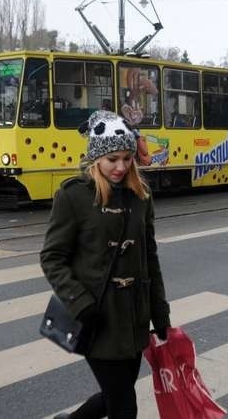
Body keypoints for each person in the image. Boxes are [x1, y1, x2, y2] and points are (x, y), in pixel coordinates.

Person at [41, 110, 171, 419]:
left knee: (116, 394)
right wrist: (79, 302)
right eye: (113, 159)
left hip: (135, 318)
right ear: (96, 157)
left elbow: (149, 258)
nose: (121, 167)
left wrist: (160, 313)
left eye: (127, 158)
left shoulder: (141, 195)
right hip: (97, 318)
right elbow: (52, 257)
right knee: (124, 406)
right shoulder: (74, 196)